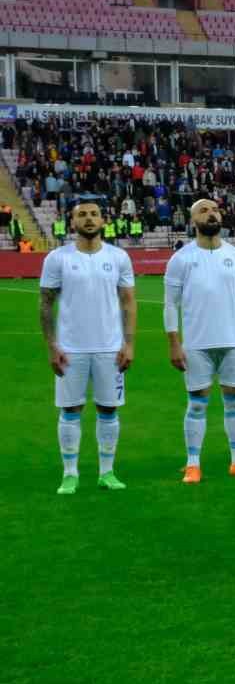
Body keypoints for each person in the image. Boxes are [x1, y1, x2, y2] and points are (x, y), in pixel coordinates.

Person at [40, 199, 135, 494]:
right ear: (72, 223)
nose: (89, 219)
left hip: (110, 348)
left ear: (103, 221)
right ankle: (70, 473)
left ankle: (107, 472)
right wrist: (52, 345)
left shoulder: (119, 257)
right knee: (71, 409)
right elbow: (45, 303)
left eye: (94, 214)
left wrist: (129, 344)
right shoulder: (58, 258)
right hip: (71, 348)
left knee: (109, 409)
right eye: (82, 215)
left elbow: (129, 302)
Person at [165, 198, 235, 483]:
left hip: (234, 341)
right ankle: (193, 463)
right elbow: (170, 304)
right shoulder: (181, 258)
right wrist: (174, 341)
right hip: (196, 344)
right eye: (203, 211)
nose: (211, 214)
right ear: (192, 220)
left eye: (215, 210)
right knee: (196, 403)